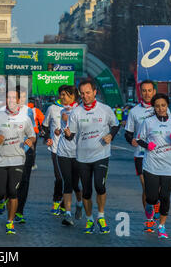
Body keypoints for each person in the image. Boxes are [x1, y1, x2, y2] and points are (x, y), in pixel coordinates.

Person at [65, 79, 120, 234]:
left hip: (101, 154)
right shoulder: (76, 112)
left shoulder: (105, 109)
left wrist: (111, 135)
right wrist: (68, 135)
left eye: (88, 92)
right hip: (82, 157)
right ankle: (89, 220)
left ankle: (101, 216)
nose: (85, 96)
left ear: (95, 92)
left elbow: (116, 124)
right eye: (82, 93)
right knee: (87, 191)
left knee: (100, 186)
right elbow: (71, 136)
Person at [0, 86, 36, 235]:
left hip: (18, 160)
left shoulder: (25, 118)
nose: (11, 100)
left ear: (19, 101)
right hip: (0, 160)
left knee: (13, 192)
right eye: (8, 98)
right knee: (0, 193)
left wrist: (30, 141)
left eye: (14, 98)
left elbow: (32, 135)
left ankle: (10, 222)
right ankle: (0, 201)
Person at [136, 93, 171, 238]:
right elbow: (138, 139)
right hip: (151, 165)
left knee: (164, 196)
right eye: (157, 106)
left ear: (167, 106)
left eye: (163, 105)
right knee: (151, 197)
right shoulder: (148, 122)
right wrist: (147, 145)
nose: (160, 108)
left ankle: (162, 227)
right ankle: (152, 206)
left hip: (169, 167)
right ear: (154, 107)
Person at [124, 80, 166, 227]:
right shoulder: (134, 111)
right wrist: (132, 141)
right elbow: (128, 133)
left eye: (149, 90)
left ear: (154, 92)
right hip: (141, 155)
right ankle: (149, 218)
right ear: (140, 92)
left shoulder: (162, 108)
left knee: (158, 189)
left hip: (160, 155)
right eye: (144, 91)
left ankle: (156, 205)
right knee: (147, 188)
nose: (147, 93)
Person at [54, 85, 83, 226]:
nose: (61, 97)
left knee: (75, 184)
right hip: (63, 152)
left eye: (64, 95)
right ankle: (68, 214)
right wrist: (59, 130)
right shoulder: (62, 111)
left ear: (72, 96)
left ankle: (79, 203)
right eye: (61, 95)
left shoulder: (80, 111)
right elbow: (65, 130)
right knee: (67, 182)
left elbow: (76, 132)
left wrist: (67, 122)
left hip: (78, 153)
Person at [13, 89, 36, 224]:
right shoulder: (3, 111)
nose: (20, 100)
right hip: (9, 152)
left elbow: (32, 132)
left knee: (24, 181)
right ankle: (7, 198)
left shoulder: (28, 111)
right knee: (11, 181)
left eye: (23, 97)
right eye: (18, 97)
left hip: (26, 151)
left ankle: (19, 211)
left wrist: (31, 141)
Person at [42, 92, 66, 216]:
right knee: (59, 177)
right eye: (63, 95)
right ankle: (56, 201)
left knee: (70, 180)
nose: (65, 97)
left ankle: (64, 204)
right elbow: (45, 126)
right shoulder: (52, 108)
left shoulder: (77, 109)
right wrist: (48, 138)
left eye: (68, 95)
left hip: (72, 150)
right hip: (56, 149)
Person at [28, 98, 44, 171]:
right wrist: (41, 129)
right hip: (33, 132)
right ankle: (32, 164)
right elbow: (42, 119)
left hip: (23, 131)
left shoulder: (23, 109)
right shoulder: (36, 110)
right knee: (32, 148)